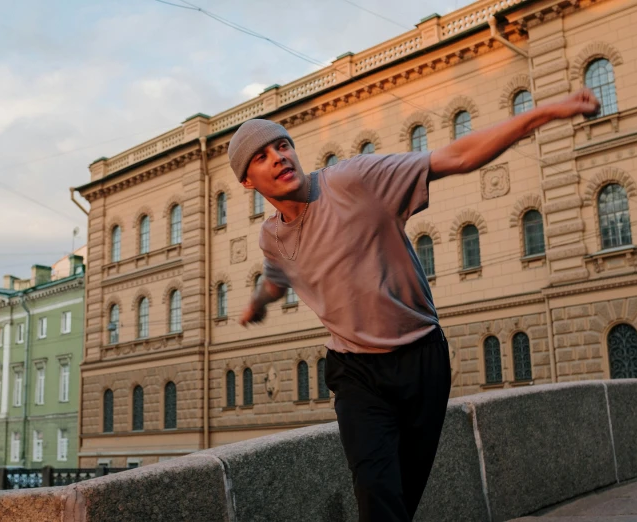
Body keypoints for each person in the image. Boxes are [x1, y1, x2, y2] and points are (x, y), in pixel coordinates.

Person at [230, 88, 600, 521]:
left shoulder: (353, 181)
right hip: (354, 373)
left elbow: (455, 157)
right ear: (248, 182)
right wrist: (257, 303)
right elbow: (279, 276)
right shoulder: (270, 235)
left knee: (402, 494)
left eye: (282, 145)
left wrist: (544, 112)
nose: (278, 157)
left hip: (421, 360)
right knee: (376, 493)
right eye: (261, 156)